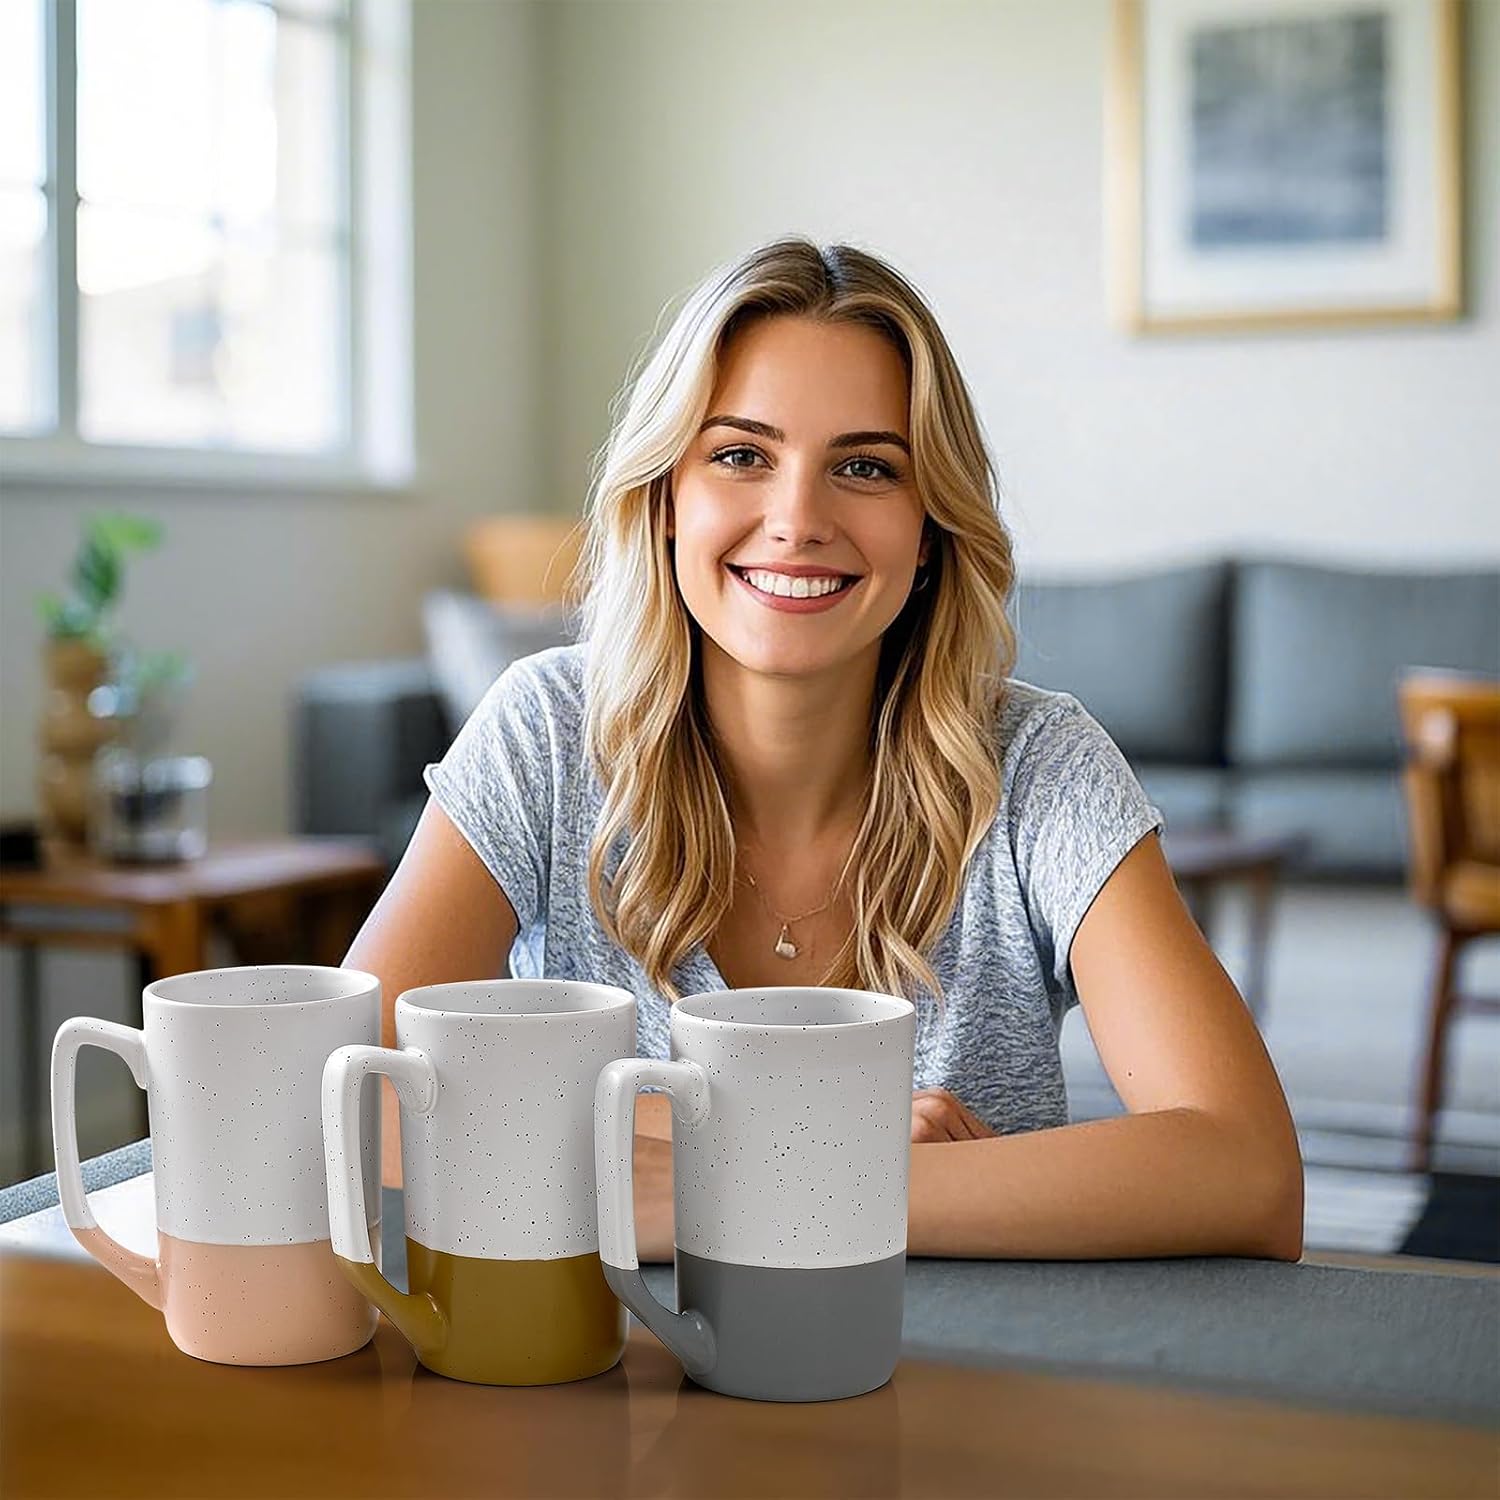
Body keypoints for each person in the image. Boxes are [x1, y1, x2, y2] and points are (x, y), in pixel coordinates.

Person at [347, 237, 1303, 1262]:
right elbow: (351, 1108)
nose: (798, 518)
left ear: (930, 526)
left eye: (864, 467)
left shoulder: (1042, 767)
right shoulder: (545, 730)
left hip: (970, 1384)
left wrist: (738, 1180)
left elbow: (1248, 1175)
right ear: (669, 497)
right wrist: (815, 1161)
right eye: (740, 454)